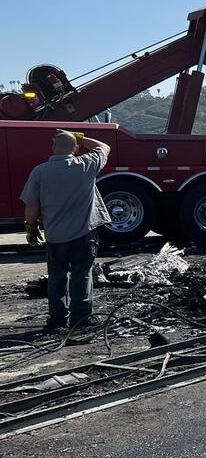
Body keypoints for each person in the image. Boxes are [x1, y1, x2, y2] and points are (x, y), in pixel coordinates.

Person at [20, 129, 112, 331]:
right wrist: (79, 137)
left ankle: (57, 321)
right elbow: (104, 147)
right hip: (84, 235)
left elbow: (32, 206)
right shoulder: (86, 164)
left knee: (56, 278)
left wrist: (31, 228)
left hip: (55, 237)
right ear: (76, 149)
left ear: (53, 147)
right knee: (82, 275)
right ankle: (81, 320)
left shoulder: (40, 171)